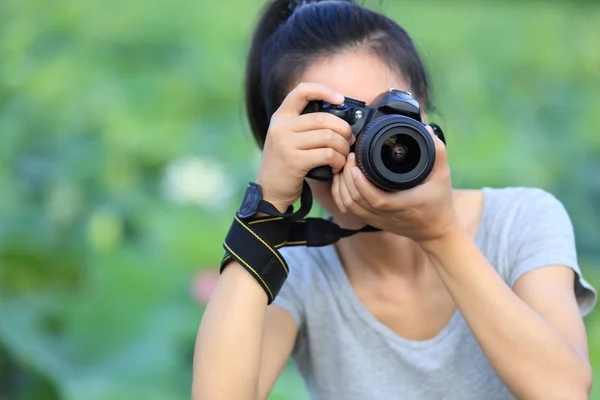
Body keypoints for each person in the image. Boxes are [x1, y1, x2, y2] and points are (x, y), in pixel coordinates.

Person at [193, 1, 597, 399]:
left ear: (424, 113)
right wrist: (263, 215)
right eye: (331, 127)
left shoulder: (520, 221)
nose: (369, 146)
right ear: (281, 145)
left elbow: (563, 392)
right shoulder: (300, 270)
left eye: (387, 117)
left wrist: (441, 236)